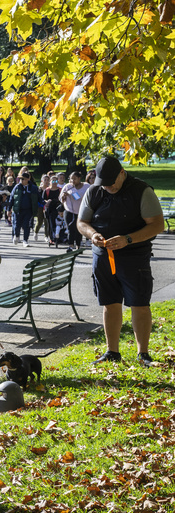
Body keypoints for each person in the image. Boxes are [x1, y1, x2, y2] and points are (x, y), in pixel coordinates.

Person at [77, 155, 165, 366]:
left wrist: (128, 239)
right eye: (103, 184)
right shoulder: (94, 191)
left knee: (139, 304)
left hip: (134, 257)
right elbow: (81, 222)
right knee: (110, 302)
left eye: (112, 183)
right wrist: (92, 235)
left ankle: (143, 353)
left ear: (122, 174)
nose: (108, 187)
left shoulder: (142, 191)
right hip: (103, 257)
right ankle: (112, 352)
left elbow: (157, 225)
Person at [61, 171, 89, 251]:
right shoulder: (67, 186)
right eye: (71, 179)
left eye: (74, 179)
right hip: (69, 210)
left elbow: (80, 197)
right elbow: (61, 198)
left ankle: (78, 245)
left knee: (78, 229)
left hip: (81, 211)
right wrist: (63, 196)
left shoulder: (86, 186)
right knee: (70, 228)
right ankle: (70, 245)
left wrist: (72, 194)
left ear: (79, 178)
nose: (72, 181)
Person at [10, 172, 39, 246]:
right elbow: (12, 198)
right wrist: (8, 209)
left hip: (28, 210)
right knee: (17, 224)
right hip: (18, 209)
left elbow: (38, 198)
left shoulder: (33, 188)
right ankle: (16, 236)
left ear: (28, 179)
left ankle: (25, 240)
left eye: (23, 179)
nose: (21, 180)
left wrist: (44, 204)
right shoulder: (17, 187)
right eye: (20, 179)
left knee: (27, 225)